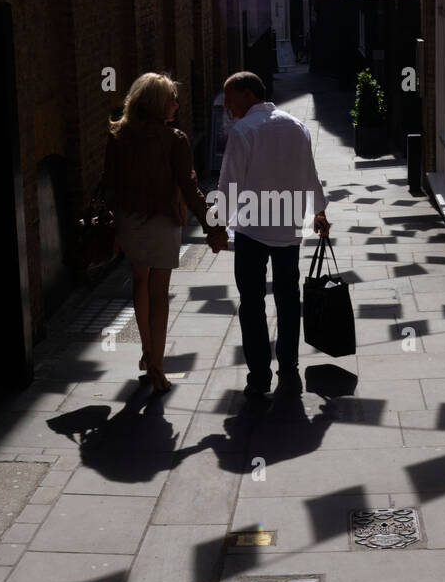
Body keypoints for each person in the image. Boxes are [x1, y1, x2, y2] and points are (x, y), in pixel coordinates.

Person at [103, 72, 227, 393]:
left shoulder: (117, 135)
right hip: (163, 221)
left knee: (140, 284)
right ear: (158, 103)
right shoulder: (175, 140)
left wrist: (117, 225)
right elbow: (190, 188)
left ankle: (148, 355)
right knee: (160, 295)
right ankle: (157, 366)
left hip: (130, 221)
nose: (176, 104)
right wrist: (212, 225)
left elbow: (110, 185)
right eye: (171, 98)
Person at [216, 72, 330, 398]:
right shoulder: (297, 126)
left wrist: (218, 227)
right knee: (288, 298)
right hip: (288, 228)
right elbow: (310, 173)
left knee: (252, 303)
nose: (226, 105)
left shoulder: (243, 131)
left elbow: (229, 186)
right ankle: (289, 366)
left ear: (248, 94)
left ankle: (259, 376)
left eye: (229, 97)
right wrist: (319, 211)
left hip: (252, 229)